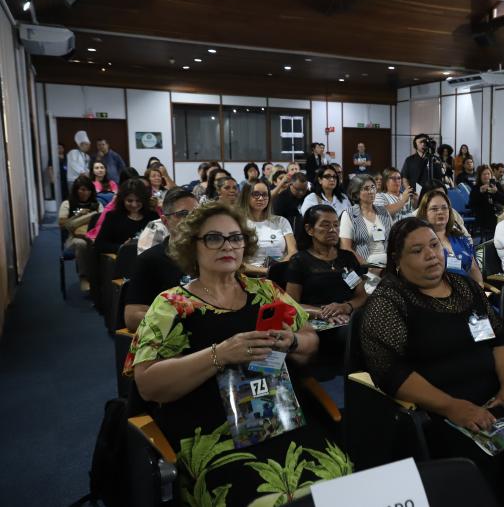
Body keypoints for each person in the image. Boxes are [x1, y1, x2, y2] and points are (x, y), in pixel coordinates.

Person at [124, 202, 350, 506]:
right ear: (193, 246)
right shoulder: (170, 305)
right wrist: (220, 355)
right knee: (254, 496)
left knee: (340, 478)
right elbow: (148, 385)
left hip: (277, 418)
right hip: (212, 432)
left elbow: (311, 341)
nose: (227, 246)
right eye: (214, 238)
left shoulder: (267, 291)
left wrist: (292, 341)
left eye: (235, 238)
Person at [360, 217, 504, 506]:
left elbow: (500, 338)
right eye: (417, 251)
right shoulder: (389, 302)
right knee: (482, 467)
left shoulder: (464, 286)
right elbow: (390, 372)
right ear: (397, 260)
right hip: (442, 411)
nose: (431, 254)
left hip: (497, 397)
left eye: (434, 245)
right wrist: (452, 406)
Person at [124, 187, 199, 330]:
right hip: (174, 337)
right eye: (183, 214)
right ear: (165, 221)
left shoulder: (211, 255)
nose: (192, 219)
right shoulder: (150, 260)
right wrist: (180, 322)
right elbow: (132, 317)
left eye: (196, 214)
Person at [286, 205, 368, 324]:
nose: (332, 230)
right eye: (326, 225)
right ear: (309, 229)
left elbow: (361, 296)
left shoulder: (347, 258)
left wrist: (346, 306)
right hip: (315, 319)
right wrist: (322, 313)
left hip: (348, 316)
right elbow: (291, 304)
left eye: (336, 225)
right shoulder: (299, 261)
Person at [418, 189, 483, 284]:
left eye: (444, 208)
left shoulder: (460, 238)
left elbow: (473, 269)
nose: (440, 212)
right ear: (425, 213)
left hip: (468, 292)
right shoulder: (421, 242)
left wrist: (480, 291)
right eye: (434, 209)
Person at [240, 181, 297, 275]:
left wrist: (277, 268)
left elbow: (293, 252)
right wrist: (266, 271)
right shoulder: (239, 223)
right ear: (246, 196)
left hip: (279, 274)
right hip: (249, 277)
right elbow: (236, 261)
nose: (261, 198)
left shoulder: (281, 221)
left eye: (265, 194)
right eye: (256, 194)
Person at [58, 176, 103, 293]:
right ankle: (84, 276)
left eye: (88, 190)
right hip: (74, 238)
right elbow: (62, 224)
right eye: (82, 189)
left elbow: (103, 220)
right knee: (81, 243)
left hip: (95, 237)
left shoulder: (97, 204)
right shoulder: (67, 204)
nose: (85, 193)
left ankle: (100, 278)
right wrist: (79, 216)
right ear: (76, 190)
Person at [94, 178, 160, 254]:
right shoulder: (113, 217)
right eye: (129, 201)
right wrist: (122, 247)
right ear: (123, 200)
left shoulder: (153, 216)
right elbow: (99, 244)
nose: (134, 205)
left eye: (138, 201)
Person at [339, 174, 393, 266]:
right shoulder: (349, 214)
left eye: (373, 187)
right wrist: (368, 266)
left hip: (388, 264)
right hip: (364, 265)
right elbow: (346, 248)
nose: (371, 191)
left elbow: (394, 239)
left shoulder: (384, 211)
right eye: (366, 188)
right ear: (356, 193)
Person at [469, 164, 504, 241]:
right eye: (484, 174)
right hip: (483, 215)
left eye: (488, 174)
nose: (486, 176)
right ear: (480, 176)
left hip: (498, 213)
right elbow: (471, 203)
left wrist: (496, 192)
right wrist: (480, 192)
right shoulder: (476, 187)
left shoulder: (496, 185)